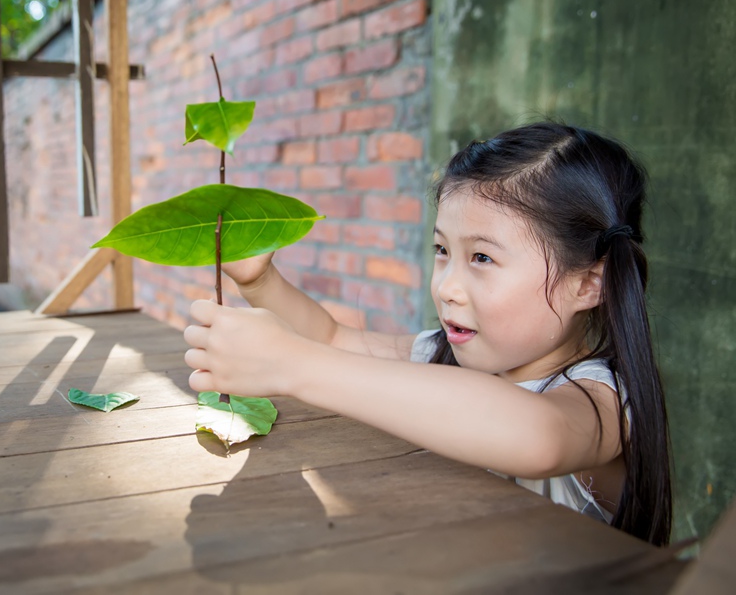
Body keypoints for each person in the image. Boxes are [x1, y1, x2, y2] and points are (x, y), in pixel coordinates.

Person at [183, 122, 673, 546]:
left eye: (482, 258)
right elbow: (331, 338)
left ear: (587, 283)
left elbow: (539, 435)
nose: (447, 287)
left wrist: (293, 366)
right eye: (442, 250)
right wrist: (260, 281)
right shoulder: (442, 355)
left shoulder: (602, 401)